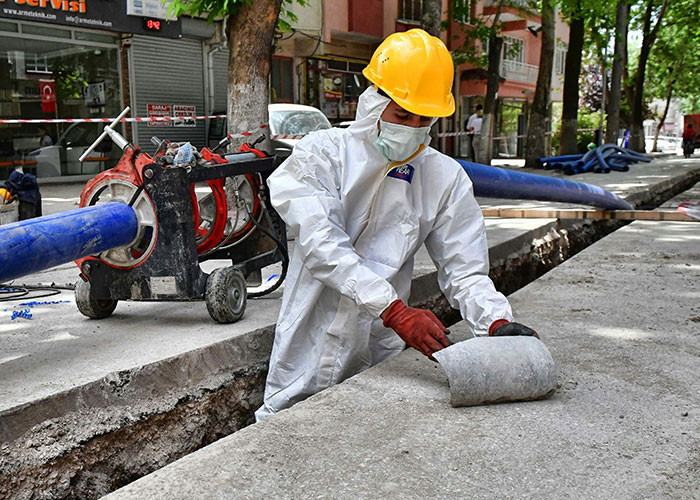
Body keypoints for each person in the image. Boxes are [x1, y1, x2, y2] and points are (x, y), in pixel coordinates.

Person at [255, 29, 537, 422]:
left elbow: (466, 271)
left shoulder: (445, 178)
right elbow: (324, 245)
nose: (412, 127)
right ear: (373, 102)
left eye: (424, 118)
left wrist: (495, 321)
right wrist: (395, 310)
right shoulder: (322, 156)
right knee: (284, 426)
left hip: (380, 343)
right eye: (403, 114)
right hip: (311, 332)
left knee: (369, 428)